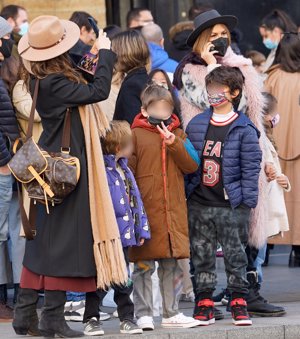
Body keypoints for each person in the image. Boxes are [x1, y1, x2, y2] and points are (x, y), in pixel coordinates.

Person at [173, 9, 285, 317]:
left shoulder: (242, 66)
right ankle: (205, 297)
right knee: (204, 240)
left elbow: (248, 105)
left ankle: (247, 293)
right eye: (214, 36)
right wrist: (212, 67)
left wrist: (234, 67)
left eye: (224, 34)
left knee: (245, 227)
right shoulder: (191, 71)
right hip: (207, 157)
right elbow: (206, 100)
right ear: (200, 42)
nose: (221, 40)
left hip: (242, 149)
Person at [12, 15, 118, 338]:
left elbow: (82, 70)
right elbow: (98, 89)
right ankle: (52, 318)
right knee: (61, 244)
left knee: (43, 241)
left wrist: (92, 52)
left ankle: (25, 313)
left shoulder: (40, 77)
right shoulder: (57, 82)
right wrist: (107, 54)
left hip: (49, 164)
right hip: (65, 167)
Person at [186, 66, 262, 326]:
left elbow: (251, 169)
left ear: (235, 92)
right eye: (210, 90)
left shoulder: (244, 127)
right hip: (199, 202)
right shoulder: (196, 124)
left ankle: (238, 301)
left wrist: (246, 203)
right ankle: (204, 300)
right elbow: (188, 162)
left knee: (235, 253)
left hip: (232, 204)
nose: (213, 94)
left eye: (220, 90)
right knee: (201, 253)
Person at [129, 84, 200, 330]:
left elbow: (192, 165)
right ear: (144, 109)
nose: (161, 112)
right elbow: (128, 171)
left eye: (166, 107)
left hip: (172, 210)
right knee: (143, 265)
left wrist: (174, 144)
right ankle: (144, 313)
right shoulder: (135, 134)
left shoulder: (178, 133)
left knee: (171, 264)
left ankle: (171, 312)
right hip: (146, 210)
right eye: (156, 108)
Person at [99, 120, 150, 334]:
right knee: (102, 280)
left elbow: (135, 201)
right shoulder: (104, 171)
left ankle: (127, 318)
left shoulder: (125, 170)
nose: (133, 148)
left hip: (126, 235)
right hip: (110, 234)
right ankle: (90, 316)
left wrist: (141, 229)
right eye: (130, 144)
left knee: (124, 280)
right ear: (119, 147)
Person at [264, 32, 300, 267]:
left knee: (270, 197)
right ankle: (297, 251)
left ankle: (265, 247)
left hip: (271, 147)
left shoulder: (271, 77)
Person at [254, 92, 290, 282]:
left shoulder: (266, 137)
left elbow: (275, 170)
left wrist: (284, 180)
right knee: (257, 253)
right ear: (268, 116)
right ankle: (252, 288)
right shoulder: (260, 139)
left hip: (267, 200)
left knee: (259, 250)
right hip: (261, 202)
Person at [0, 16, 21, 322]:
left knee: (10, 230)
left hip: (9, 163)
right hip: (4, 165)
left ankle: (10, 297)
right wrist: (4, 161)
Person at [113, 30, 150, 125]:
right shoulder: (145, 79)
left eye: (113, 52)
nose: (112, 57)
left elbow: (132, 126)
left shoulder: (131, 85)